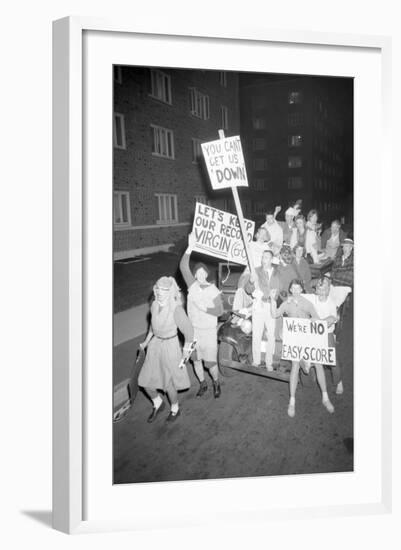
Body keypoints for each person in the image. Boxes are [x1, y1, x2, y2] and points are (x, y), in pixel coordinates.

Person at [270, 279, 335, 418]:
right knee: (295, 366)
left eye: (298, 288)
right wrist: (272, 299)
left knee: (318, 365)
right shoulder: (287, 303)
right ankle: (292, 401)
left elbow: (317, 319)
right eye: (293, 288)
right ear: (291, 290)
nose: (295, 291)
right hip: (296, 340)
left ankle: (325, 397)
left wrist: (315, 321)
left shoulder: (307, 303)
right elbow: (274, 314)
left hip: (309, 338)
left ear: (301, 290)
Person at [138, 276, 194, 423]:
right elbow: (152, 326)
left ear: (170, 291)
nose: (160, 292)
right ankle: (158, 403)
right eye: (158, 288)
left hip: (170, 346)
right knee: (144, 380)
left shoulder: (176, 309)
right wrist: (146, 342)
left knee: (168, 384)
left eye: (164, 289)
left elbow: (189, 332)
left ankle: (175, 408)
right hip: (155, 345)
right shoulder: (154, 305)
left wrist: (186, 351)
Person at [179, 233, 224, 398]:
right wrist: (190, 247)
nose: (200, 275)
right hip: (193, 331)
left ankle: (216, 382)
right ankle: (203, 383)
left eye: (202, 272)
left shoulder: (213, 290)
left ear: (206, 274)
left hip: (208, 331)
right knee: (196, 360)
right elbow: (183, 266)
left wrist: (203, 308)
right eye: (197, 272)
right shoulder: (192, 286)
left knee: (210, 362)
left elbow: (220, 311)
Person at [304, 277, 344, 395]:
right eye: (319, 289)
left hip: (327, 333)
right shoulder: (312, 298)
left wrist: (319, 321)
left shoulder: (331, 303)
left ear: (328, 291)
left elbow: (332, 318)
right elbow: (299, 297)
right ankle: (313, 371)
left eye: (324, 290)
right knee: (307, 354)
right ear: (315, 290)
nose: (321, 292)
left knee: (332, 360)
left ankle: (339, 381)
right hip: (313, 333)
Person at [243, 249, 280, 370]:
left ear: (272, 260)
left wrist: (274, 294)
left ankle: (269, 363)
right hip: (258, 305)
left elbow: (279, 289)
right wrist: (250, 281)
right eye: (263, 257)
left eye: (267, 258)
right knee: (257, 334)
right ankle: (256, 361)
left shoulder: (277, 272)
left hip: (271, 306)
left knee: (271, 336)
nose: (264, 260)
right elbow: (248, 289)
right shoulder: (256, 271)